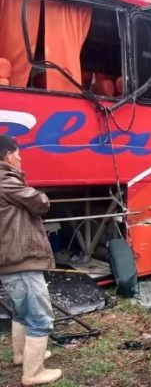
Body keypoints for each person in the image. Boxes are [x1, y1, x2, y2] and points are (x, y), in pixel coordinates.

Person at [0, 135, 62, 385]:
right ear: (7, 156)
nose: (20, 158)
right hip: (21, 259)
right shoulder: (5, 180)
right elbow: (41, 202)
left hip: (10, 261)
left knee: (22, 312)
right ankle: (33, 373)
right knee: (39, 317)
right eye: (18, 154)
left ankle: (20, 355)